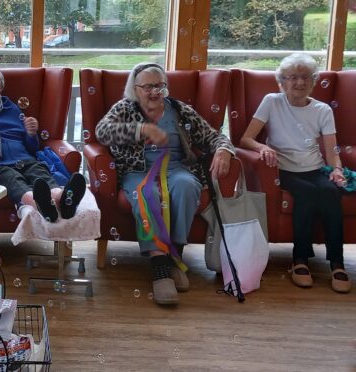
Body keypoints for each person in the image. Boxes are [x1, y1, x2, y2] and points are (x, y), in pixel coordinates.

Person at [95, 62, 234, 305]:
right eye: (147, 86)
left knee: (187, 186)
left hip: (176, 167)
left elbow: (213, 135)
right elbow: (102, 132)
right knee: (147, 193)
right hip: (139, 170)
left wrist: (224, 150)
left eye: (159, 86)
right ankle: (160, 269)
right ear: (135, 89)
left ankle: (174, 257)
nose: (154, 92)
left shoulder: (180, 110)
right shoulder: (125, 108)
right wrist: (141, 129)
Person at [239, 53, 350, 293]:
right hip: (283, 169)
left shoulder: (322, 110)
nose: (299, 83)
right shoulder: (272, 101)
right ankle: (300, 260)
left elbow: (332, 151)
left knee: (332, 192)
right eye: (292, 77)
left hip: (315, 167)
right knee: (308, 193)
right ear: (281, 81)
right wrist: (264, 147)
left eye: (305, 77)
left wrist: (337, 170)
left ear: (314, 81)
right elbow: (246, 139)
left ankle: (337, 263)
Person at [0, 66, 87, 223]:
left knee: (40, 173)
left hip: (25, 159)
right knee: (13, 179)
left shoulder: (12, 108)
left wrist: (31, 134)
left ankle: (64, 201)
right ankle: (42, 206)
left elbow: (32, 148)